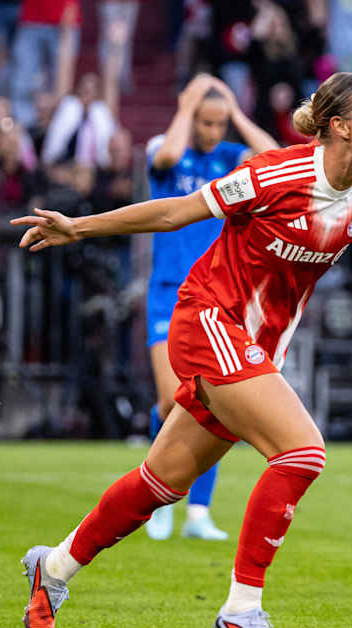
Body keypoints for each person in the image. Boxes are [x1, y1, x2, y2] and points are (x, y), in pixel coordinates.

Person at [12, 71, 352, 628]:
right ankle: (241, 611)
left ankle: (54, 568)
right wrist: (79, 228)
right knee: (303, 451)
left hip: (252, 348)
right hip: (208, 319)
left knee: (158, 484)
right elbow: (175, 212)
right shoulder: (274, 174)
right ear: (339, 126)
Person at [141, 73, 279, 541]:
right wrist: (186, 105)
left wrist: (237, 112)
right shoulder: (169, 147)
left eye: (221, 124)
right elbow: (164, 158)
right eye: (207, 121)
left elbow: (272, 157)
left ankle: (198, 513)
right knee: (169, 398)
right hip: (168, 290)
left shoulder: (228, 158)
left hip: (221, 295)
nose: (213, 131)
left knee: (216, 401)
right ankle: (159, 501)